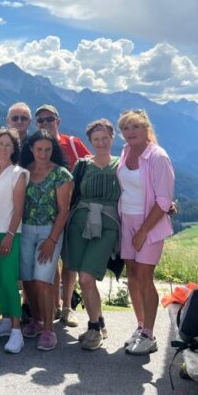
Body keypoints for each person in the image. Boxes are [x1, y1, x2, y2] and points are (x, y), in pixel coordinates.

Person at [116, 109, 175, 355]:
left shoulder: (158, 156)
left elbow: (163, 200)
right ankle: (141, 327)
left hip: (148, 222)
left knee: (144, 276)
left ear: (146, 128)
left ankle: (149, 335)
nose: (130, 132)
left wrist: (142, 231)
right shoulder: (126, 151)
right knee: (132, 275)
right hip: (126, 219)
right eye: (125, 129)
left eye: (135, 127)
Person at [32, 103, 91, 328]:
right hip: (46, 213)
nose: (45, 123)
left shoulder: (73, 144)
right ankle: (56, 304)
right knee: (51, 260)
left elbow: (94, 165)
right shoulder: (37, 145)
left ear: (58, 120)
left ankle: (67, 307)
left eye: (49, 119)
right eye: (41, 121)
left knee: (70, 260)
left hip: (73, 210)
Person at [66, 119, 121, 350]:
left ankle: (93, 329)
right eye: (96, 139)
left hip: (107, 225)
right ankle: (99, 321)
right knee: (82, 278)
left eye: (105, 138)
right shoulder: (82, 165)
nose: (101, 143)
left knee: (87, 278)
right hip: (79, 223)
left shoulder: (123, 164)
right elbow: (69, 194)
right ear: (90, 141)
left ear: (112, 137)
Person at [19, 130, 72, 351]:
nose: (43, 153)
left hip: (49, 231)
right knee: (28, 279)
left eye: (48, 149)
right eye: (39, 149)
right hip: (25, 230)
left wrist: (52, 240)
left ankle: (49, 329)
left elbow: (63, 210)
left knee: (44, 280)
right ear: (31, 149)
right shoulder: (24, 172)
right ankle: (36, 320)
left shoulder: (61, 174)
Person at [0, 128, 29, 354]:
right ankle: (5, 321)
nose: (3, 148)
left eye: (8, 144)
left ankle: (17, 332)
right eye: (0, 143)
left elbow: (19, 208)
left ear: (14, 149)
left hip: (8, 232)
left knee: (9, 280)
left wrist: (10, 234)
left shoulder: (18, 173)